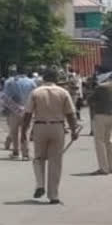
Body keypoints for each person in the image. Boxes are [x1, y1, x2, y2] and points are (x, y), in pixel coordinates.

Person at [21, 68, 79, 204]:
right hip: (58, 127)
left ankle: (40, 184)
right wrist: (74, 130)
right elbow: (70, 114)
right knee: (55, 161)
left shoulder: (36, 92)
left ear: (43, 79)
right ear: (56, 79)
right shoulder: (63, 92)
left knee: (38, 158)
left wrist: (24, 131)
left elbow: (28, 114)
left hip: (40, 126)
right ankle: (54, 195)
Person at [1, 66, 37, 159]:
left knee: (14, 132)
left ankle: (16, 152)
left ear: (16, 72)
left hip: (14, 110)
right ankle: (26, 153)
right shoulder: (32, 82)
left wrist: (5, 109)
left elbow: (5, 97)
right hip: (28, 110)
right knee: (26, 132)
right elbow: (35, 96)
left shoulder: (10, 82)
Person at [86, 67, 112, 175]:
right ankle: (111, 167)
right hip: (110, 116)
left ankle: (103, 168)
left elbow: (90, 100)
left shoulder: (100, 87)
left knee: (99, 142)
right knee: (108, 142)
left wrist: (91, 89)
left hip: (100, 116)